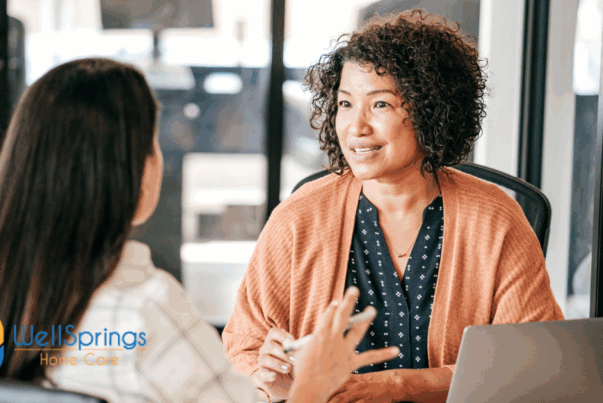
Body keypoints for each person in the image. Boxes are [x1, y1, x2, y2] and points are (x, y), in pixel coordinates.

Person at [0, 58, 398, 403]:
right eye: (153, 145)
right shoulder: (146, 309)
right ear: (128, 172)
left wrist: (277, 388)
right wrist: (314, 385)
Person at [222, 10, 564, 403]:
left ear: (431, 109)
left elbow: (531, 364)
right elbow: (241, 350)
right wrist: (269, 377)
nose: (356, 127)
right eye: (345, 104)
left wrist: (402, 385)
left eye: (380, 105)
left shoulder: (495, 218)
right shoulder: (299, 218)